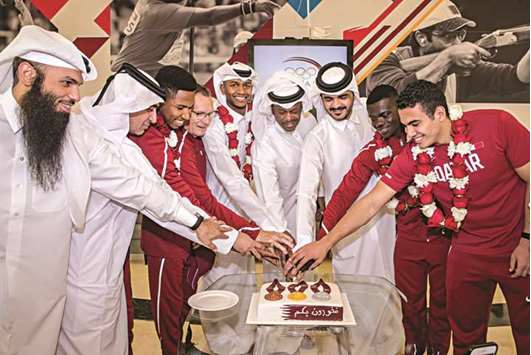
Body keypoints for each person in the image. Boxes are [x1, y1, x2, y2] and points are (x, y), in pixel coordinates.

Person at [0, 25, 228, 355]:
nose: (76, 96)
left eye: (78, 85)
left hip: (45, 300)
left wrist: (196, 223)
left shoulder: (75, 134)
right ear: (26, 74)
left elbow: (139, 188)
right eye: (66, 82)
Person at [289, 80, 529, 355]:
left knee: (527, 329)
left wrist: (526, 238)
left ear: (440, 114)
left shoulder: (496, 124)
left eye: (415, 124)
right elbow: (371, 202)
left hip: (516, 245)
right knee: (467, 335)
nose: (409, 133)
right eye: (405, 126)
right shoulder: (414, 155)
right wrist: (325, 242)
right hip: (466, 250)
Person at [56, 65, 247, 355]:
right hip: (84, 278)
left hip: (110, 278)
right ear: (124, 107)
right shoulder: (87, 140)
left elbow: (162, 195)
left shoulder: (125, 146)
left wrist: (226, 237)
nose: (154, 118)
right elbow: (143, 193)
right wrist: (203, 226)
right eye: (147, 110)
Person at [130, 65, 292, 355]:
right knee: (167, 313)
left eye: (208, 114)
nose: (202, 120)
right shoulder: (157, 137)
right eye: (194, 112)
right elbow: (198, 197)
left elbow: (208, 200)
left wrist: (253, 232)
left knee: (183, 305)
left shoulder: (193, 142)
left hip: (199, 241)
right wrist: (248, 236)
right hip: (169, 239)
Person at [316, 84, 450, 355]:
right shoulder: (374, 151)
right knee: (409, 299)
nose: (379, 123)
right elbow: (347, 192)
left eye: (386, 115)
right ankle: (413, 344)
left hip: (444, 234)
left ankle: (438, 348)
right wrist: (322, 240)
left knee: (442, 300)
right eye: (373, 118)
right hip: (409, 236)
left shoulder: (432, 137)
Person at [295, 61, 396, 281]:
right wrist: (305, 243)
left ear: (353, 95)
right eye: (328, 99)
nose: (336, 105)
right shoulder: (317, 138)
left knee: (392, 282)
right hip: (348, 227)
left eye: (343, 97)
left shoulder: (371, 119)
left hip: (385, 216)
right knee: (356, 288)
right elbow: (306, 193)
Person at [201, 61, 289, 287]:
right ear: (222, 88)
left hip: (246, 207)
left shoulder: (253, 120)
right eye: (234, 85)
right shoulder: (214, 123)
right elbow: (230, 179)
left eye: (247, 86)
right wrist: (267, 223)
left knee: (246, 273)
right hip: (219, 207)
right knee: (223, 272)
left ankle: (244, 323)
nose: (242, 92)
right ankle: (218, 323)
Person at [365, 0, 530, 103]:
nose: (458, 43)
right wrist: (447, 58)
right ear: (422, 38)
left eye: (461, 35)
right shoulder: (384, 61)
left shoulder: (459, 66)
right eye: (449, 37)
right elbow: (398, 98)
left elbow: (514, 78)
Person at [111, 0, 285, 76]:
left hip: (137, 73)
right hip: (134, 80)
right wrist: (250, 6)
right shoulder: (160, 12)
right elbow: (208, 17)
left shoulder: (149, 3)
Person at [251, 70, 316, 237]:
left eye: (294, 111)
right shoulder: (265, 143)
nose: (289, 118)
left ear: (302, 107)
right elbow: (270, 197)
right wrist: (280, 233)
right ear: (272, 111)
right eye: (282, 112)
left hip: (308, 213)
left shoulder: (310, 123)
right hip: (280, 218)